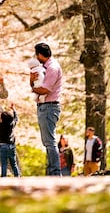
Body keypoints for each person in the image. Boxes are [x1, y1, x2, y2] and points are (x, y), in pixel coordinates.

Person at [29, 42, 64, 176]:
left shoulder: (52, 68)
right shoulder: (42, 67)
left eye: (36, 54)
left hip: (49, 106)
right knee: (47, 141)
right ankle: (53, 171)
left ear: (40, 54)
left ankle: (55, 172)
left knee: (50, 142)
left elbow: (44, 90)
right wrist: (31, 80)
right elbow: (36, 86)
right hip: (43, 106)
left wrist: (33, 88)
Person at [0, 102, 21, 177]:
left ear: (2, 119)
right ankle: (17, 175)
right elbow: (16, 118)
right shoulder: (11, 124)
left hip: (3, 146)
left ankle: (3, 176)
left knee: (4, 163)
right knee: (13, 162)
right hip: (12, 146)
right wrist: (14, 109)